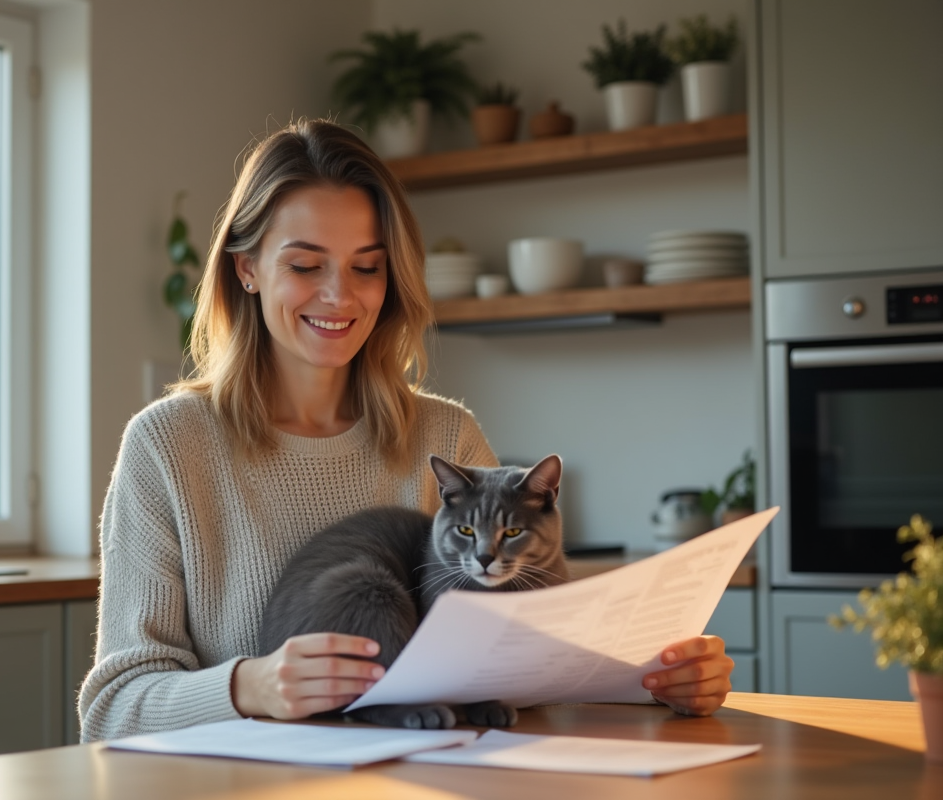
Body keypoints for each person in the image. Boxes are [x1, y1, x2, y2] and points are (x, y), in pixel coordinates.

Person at [78, 119, 734, 740]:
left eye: (367, 266)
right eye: (307, 265)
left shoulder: (446, 436)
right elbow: (110, 712)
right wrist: (250, 688)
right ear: (246, 269)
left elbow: (518, 657)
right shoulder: (169, 447)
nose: (340, 296)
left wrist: (654, 674)